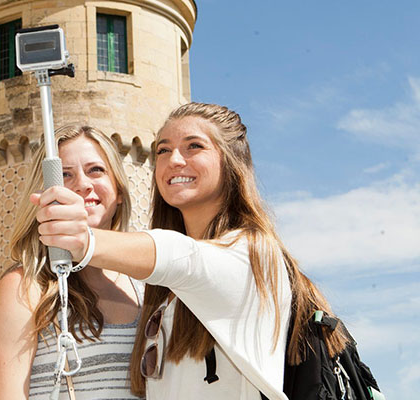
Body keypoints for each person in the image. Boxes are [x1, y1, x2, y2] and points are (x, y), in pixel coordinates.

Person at [32, 103, 351, 400]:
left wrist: (84, 241)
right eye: (163, 150)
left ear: (231, 160)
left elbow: (184, 259)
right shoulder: (163, 294)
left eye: (194, 146)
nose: (174, 160)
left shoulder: (253, 254)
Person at [0, 125, 144, 399]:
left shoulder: (145, 286)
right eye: (65, 174)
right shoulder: (24, 289)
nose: (83, 184)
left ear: (119, 191)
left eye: (96, 170)